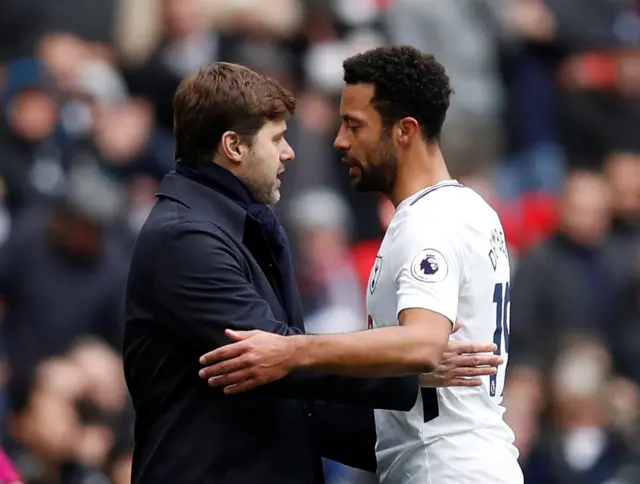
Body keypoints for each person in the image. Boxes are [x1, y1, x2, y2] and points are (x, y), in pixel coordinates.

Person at [123, 61, 502, 484]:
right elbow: (271, 359)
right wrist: (402, 367)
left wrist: (413, 438)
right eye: (278, 139)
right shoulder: (185, 239)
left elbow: (287, 371)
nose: (290, 152)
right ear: (233, 146)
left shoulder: (245, 227)